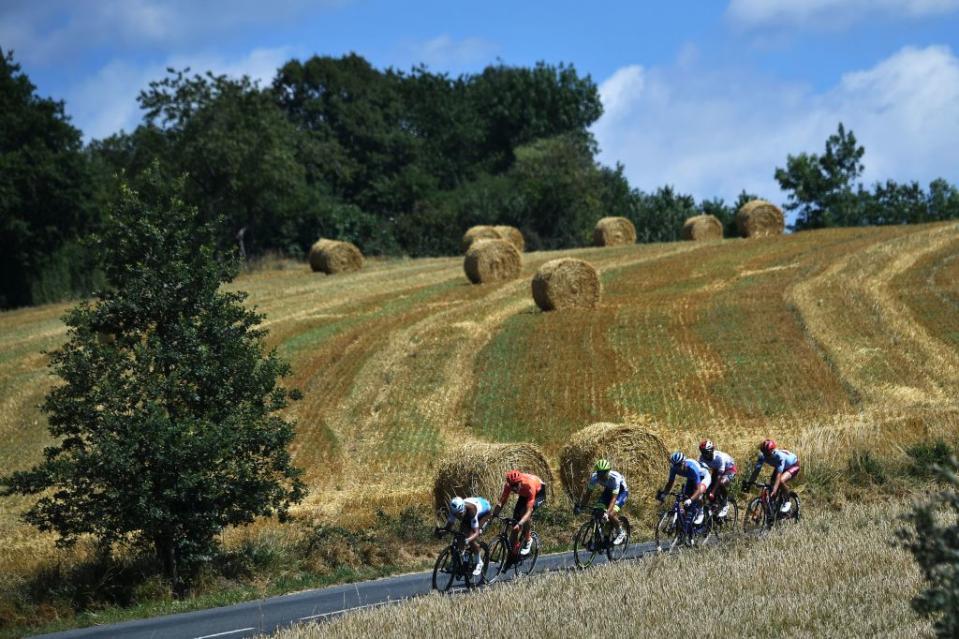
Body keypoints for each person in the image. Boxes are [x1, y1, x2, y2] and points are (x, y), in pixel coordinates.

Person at [491, 469, 546, 556]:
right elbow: (501, 502)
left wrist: (520, 524)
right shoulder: (509, 486)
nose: (514, 488)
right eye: (512, 486)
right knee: (514, 527)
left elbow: (528, 511)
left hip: (538, 492)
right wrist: (493, 515)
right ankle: (515, 552)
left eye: (516, 485)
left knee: (525, 512)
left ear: (520, 482)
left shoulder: (529, 485)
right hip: (524, 494)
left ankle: (528, 539)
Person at [575, 458, 628, 545]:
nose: (601, 475)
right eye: (599, 473)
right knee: (597, 512)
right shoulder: (594, 477)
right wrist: (581, 506)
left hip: (621, 492)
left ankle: (621, 532)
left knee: (611, 514)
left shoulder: (615, 478)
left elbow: (614, 498)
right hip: (608, 491)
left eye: (603, 473)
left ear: (608, 471)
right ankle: (601, 537)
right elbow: (588, 494)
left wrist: (607, 513)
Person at [436, 496, 492, 576]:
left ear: (463, 509)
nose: (458, 516)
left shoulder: (472, 510)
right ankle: (463, 559)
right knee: (461, 535)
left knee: (471, 539)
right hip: (468, 514)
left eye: (460, 514)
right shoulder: (454, 510)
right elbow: (448, 527)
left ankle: (479, 562)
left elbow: (476, 533)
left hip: (484, 513)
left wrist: (468, 540)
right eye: (456, 515)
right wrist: (442, 533)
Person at [656, 451, 711, 528]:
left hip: (703, 477)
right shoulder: (674, 468)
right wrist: (664, 494)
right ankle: (687, 522)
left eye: (679, 465)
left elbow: (698, 490)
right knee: (685, 497)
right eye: (675, 465)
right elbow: (670, 483)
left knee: (698, 495)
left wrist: (691, 500)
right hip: (691, 478)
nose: (677, 467)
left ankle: (701, 512)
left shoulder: (692, 468)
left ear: (684, 462)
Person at [743, 439, 800, 513]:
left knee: (781, 481)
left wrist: (775, 489)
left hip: (793, 465)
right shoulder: (762, 456)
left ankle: (787, 500)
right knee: (772, 484)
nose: (766, 456)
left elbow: (779, 475)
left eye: (768, 454)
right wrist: (750, 482)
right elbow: (756, 471)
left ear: (772, 451)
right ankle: (775, 509)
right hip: (780, 466)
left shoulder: (779, 456)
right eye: (764, 453)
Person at [698, 439, 737, 519]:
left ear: (712, 450)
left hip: (729, 469)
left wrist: (712, 492)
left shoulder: (719, 458)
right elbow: (700, 473)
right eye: (703, 452)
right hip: (716, 469)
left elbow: (719, 478)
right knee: (709, 485)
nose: (705, 455)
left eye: (706, 452)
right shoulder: (702, 458)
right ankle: (714, 505)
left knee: (721, 482)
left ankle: (725, 504)